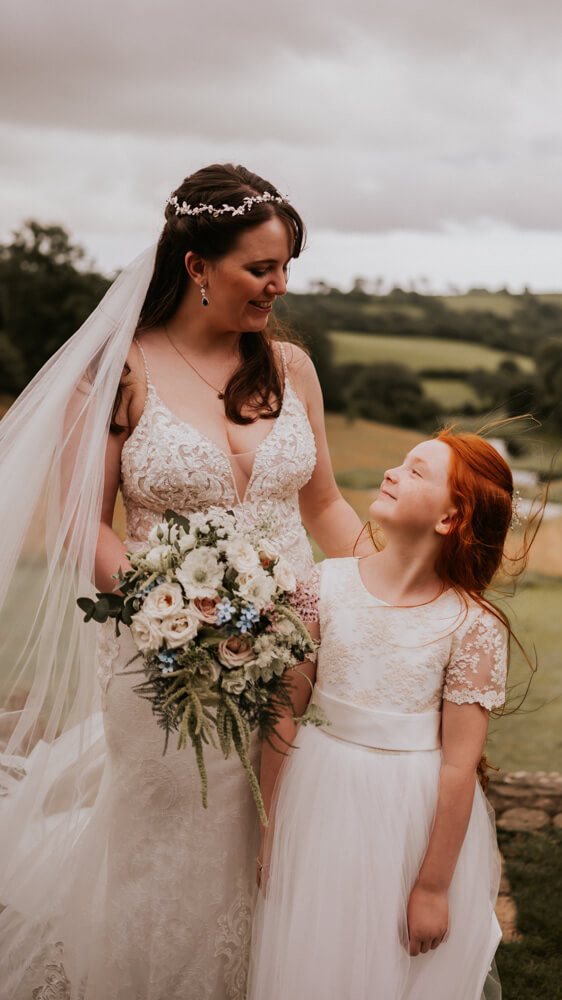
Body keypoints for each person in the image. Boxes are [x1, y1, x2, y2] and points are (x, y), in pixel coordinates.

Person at [0, 164, 363, 999]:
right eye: (259, 268)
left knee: (287, 848)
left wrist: (385, 587)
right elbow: (85, 524)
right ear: (197, 264)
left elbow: (328, 505)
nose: (278, 286)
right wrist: (186, 617)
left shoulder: (291, 369)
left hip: (300, 656)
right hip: (168, 658)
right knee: (175, 849)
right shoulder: (115, 373)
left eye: (285, 268)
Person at [249, 429, 527, 1000]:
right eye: (401, 462)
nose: (394, 472)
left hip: (409, 816)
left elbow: (458, 766)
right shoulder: (323, 586)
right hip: (316, 799)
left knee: (389, 959)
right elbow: (283, 715)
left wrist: (432, 886)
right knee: (319, 947)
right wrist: (270, 830)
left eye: (417, 471)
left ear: (451, 518)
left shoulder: (471, 625)